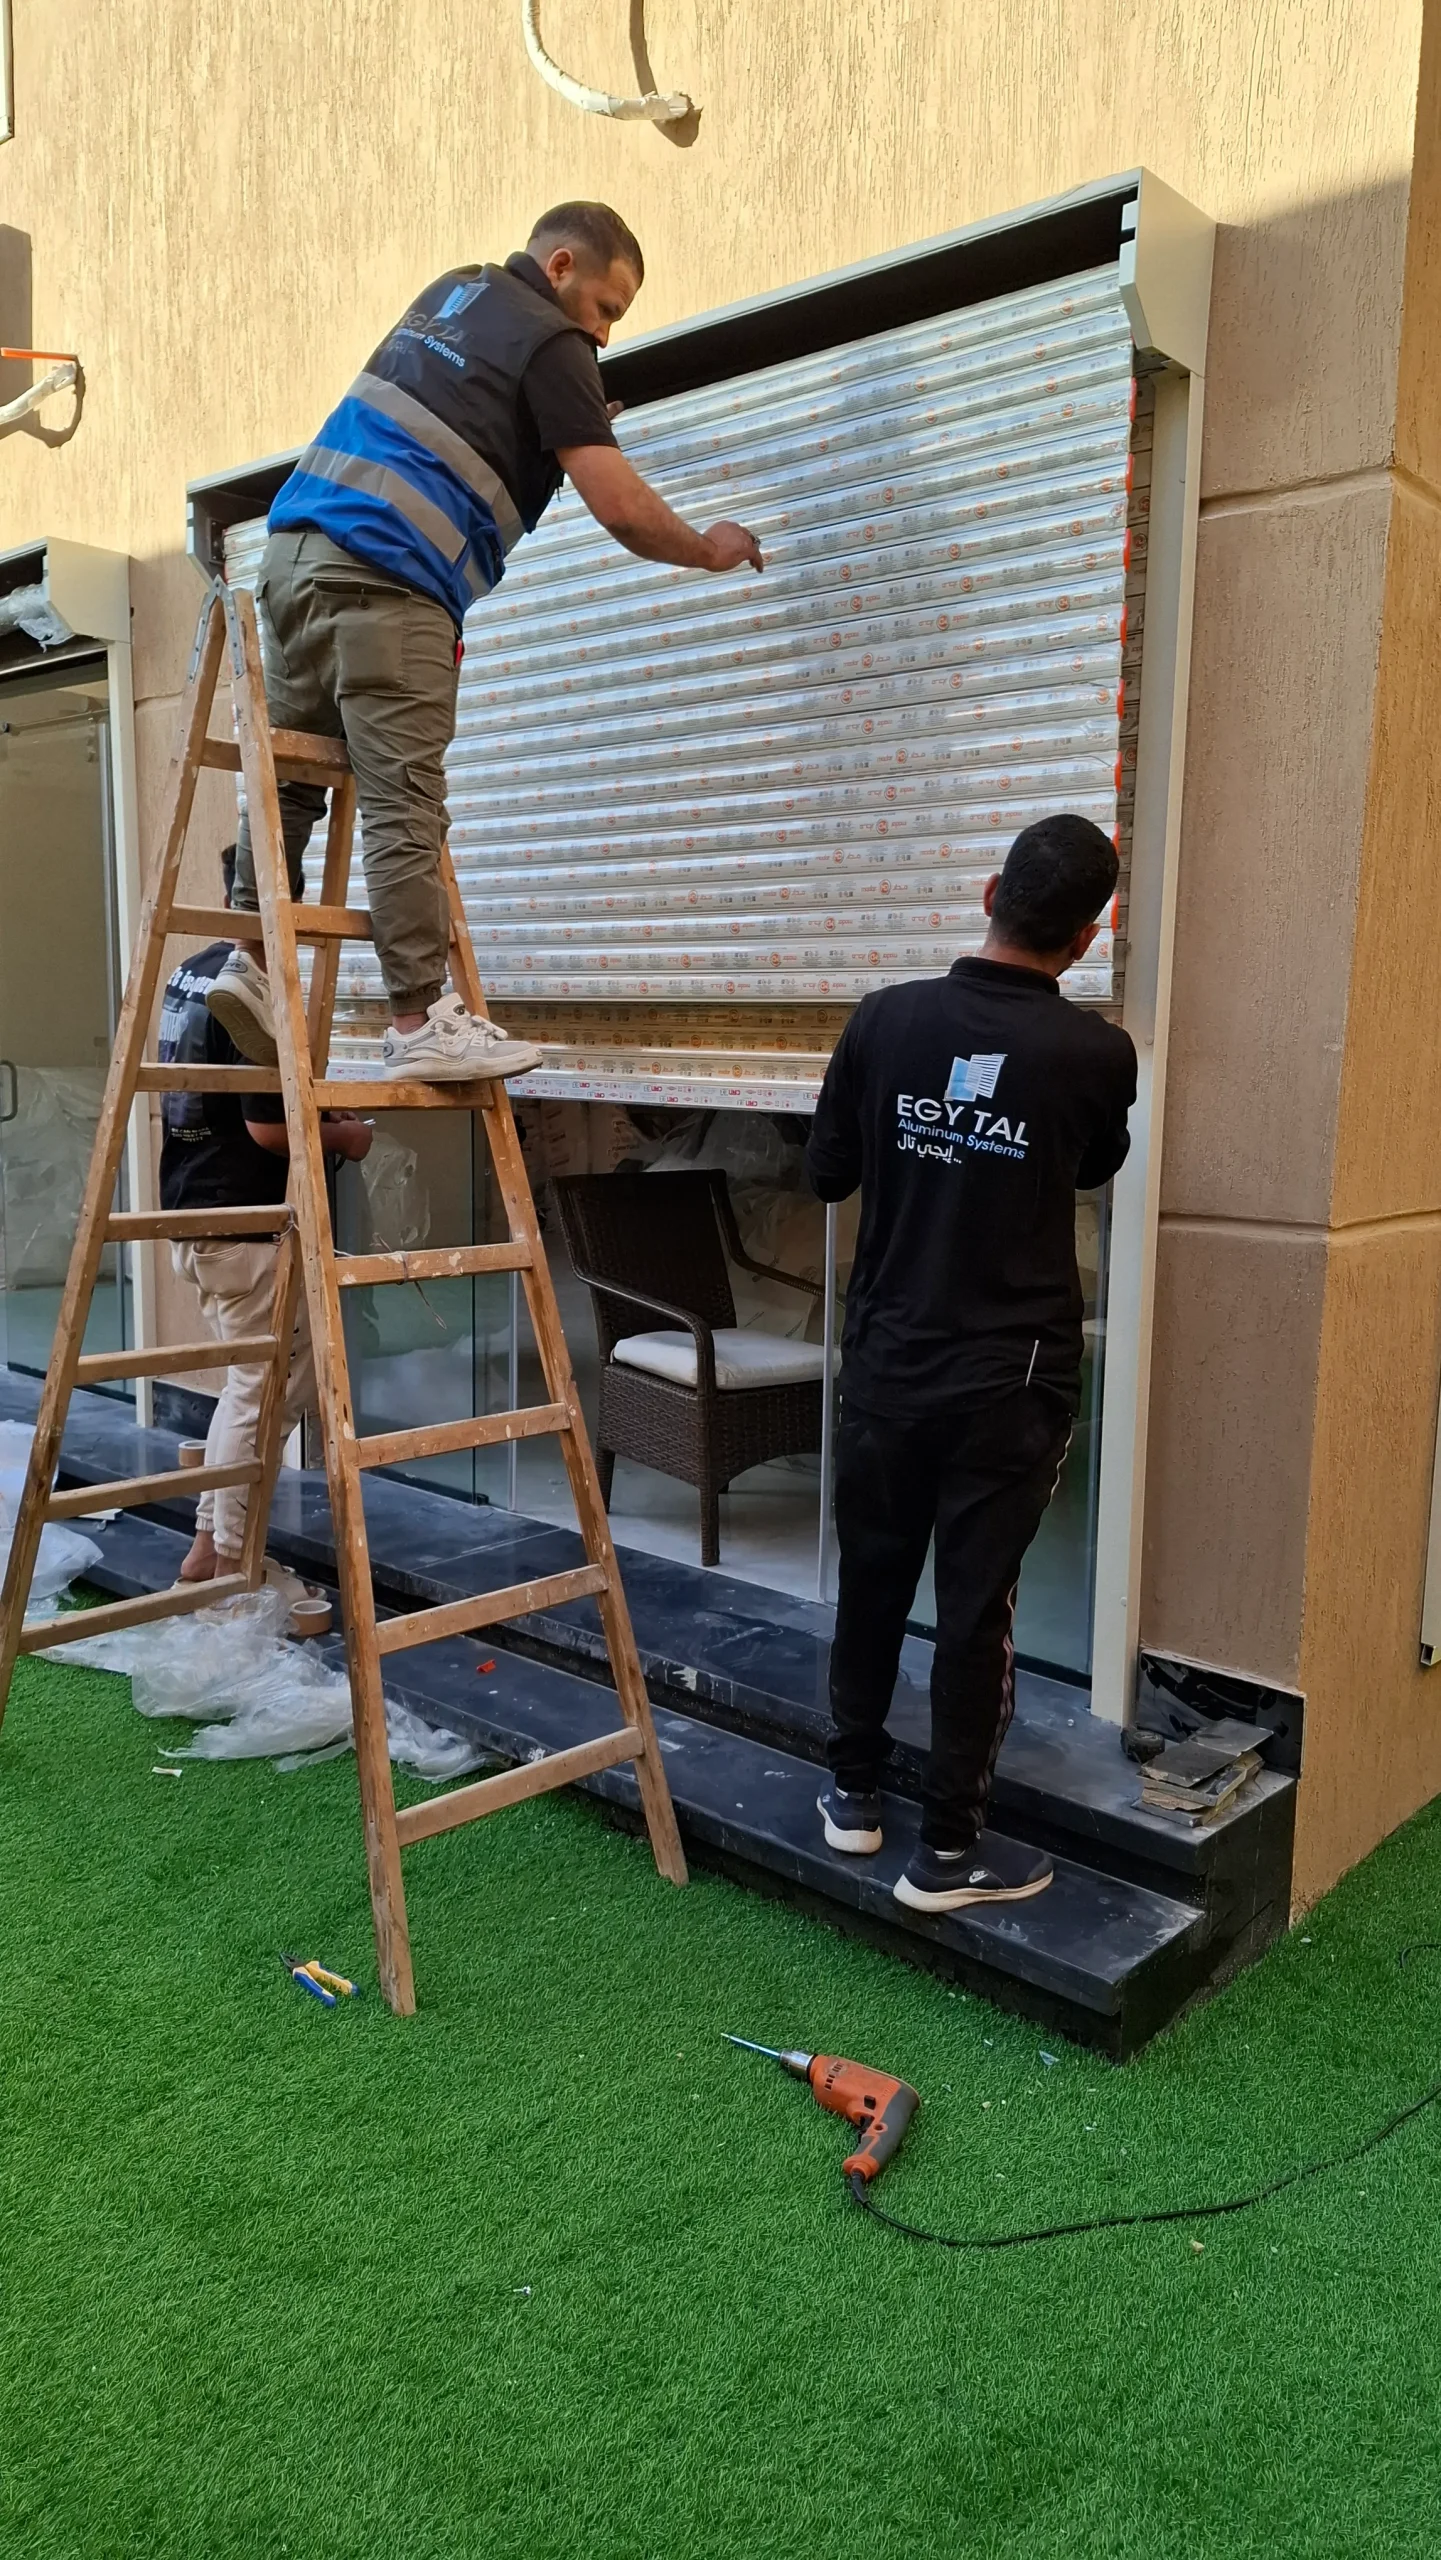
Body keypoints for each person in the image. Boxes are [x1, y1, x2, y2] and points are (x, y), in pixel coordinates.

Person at [210, 200, 765, 1085]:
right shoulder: (555, 344)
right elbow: (621, 508)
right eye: (606, 308)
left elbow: (458, 418)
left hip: (292, 562)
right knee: (403, 799)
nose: (604, 334)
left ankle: (249, 959)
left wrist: (554, 422)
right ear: (561, 266)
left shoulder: (456, 293)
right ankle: (417, 1020)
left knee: (291, 778)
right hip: (390, 579)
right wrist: (708, 547)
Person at [805, 813, 1138, 1914]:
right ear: (1086, 937)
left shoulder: (883, 1021)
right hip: (1011, 1382)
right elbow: (1091, 1166)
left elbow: (826, 1174)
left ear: (990, 892)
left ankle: (853, 1795)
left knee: (872, 1579)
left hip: (888, 1365)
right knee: (975, 1610)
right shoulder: (1094, 1053)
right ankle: (946, 1853)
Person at [159, 847, 373, 1583]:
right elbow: (266, 1128)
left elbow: (234, 1101)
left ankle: (208, 1546)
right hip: (243, 1220)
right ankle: (228, 1556)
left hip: (195, 1209)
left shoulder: (191, 972)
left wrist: (316, 1108)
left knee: (258, 1385)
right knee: (266, 1390)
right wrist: (346, 1136)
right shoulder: (251, 990)